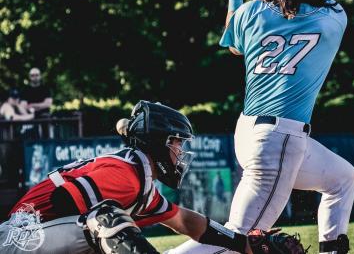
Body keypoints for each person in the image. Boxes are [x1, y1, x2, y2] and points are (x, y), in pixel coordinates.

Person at [170, 0, 354, 254]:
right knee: (236, 240)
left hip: (250, 132)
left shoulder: (251, 11)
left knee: (342, 178)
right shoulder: (332, 17)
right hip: (280, 138)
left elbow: (234, 44)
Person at [0, 100, 304, 254]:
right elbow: (67, 203)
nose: (181, 151)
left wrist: (242, 244)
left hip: (41, 237)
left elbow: (185, 221)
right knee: (108, 219)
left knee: (109, 222)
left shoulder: (139, 177)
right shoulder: (125, 175)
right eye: (177, 142)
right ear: (159, 140)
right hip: (20, 239)